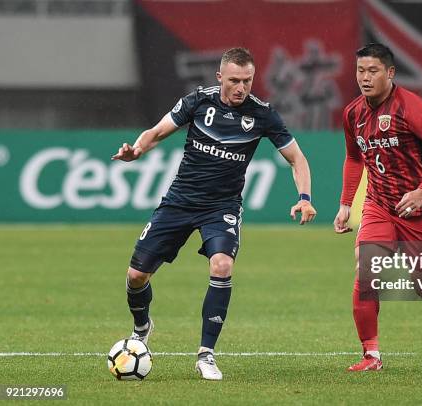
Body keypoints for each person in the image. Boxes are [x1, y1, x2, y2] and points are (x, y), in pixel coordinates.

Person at [111, 47, 317, 381]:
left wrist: (304, 197)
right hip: (180, 201)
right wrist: (136, 150)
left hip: (221, 207)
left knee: (222, 265)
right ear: (220, 77)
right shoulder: (198, 101)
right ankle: (142, 327)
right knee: (136, 275)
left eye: (247, 81)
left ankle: (206, 354)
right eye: (234, 80)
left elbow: (298, 159)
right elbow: (157, 132)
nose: (241, 88)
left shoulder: (262, 114)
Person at [333, 43, 422, 372]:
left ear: (390, 73)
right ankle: (371, 356)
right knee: (365, 268)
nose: (364, 78)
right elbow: (354, 158)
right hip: (379, 204)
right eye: (360, 71)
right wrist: (345, 203)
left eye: (373, 71)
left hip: (417, 210)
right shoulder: (352, 113)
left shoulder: (410, 107)